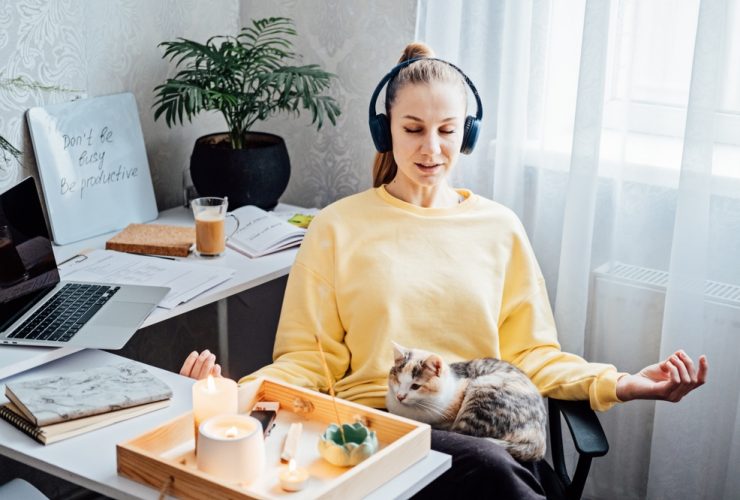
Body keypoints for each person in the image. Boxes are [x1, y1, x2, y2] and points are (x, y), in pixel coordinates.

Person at [181, 42, 708, 499]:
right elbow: (306, 361)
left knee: (490, 464)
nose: (431, 149)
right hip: (374, 434)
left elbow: (532, 357)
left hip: (483, 438)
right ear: (384, 129)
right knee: (490, 470)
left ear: (468, 134)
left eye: (447, 131)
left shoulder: (500, 227)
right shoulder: (338, 227)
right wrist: (235, 390)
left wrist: (622, 384)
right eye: (412, 129)